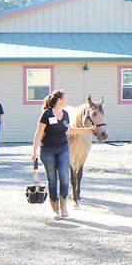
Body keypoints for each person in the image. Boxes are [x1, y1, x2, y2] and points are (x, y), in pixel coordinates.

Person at [31, 89, 96, 219]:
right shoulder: (46, 114)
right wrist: (34, 152)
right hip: (48, 151)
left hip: (63, 150)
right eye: (65, 98)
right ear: (59, 100)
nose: (67, 100)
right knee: (53, 180)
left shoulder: (66, 114)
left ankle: (64, 208)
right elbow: (38, 133)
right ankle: (55, 210)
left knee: (65, 179)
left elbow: (70, 130)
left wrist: (87, 130)